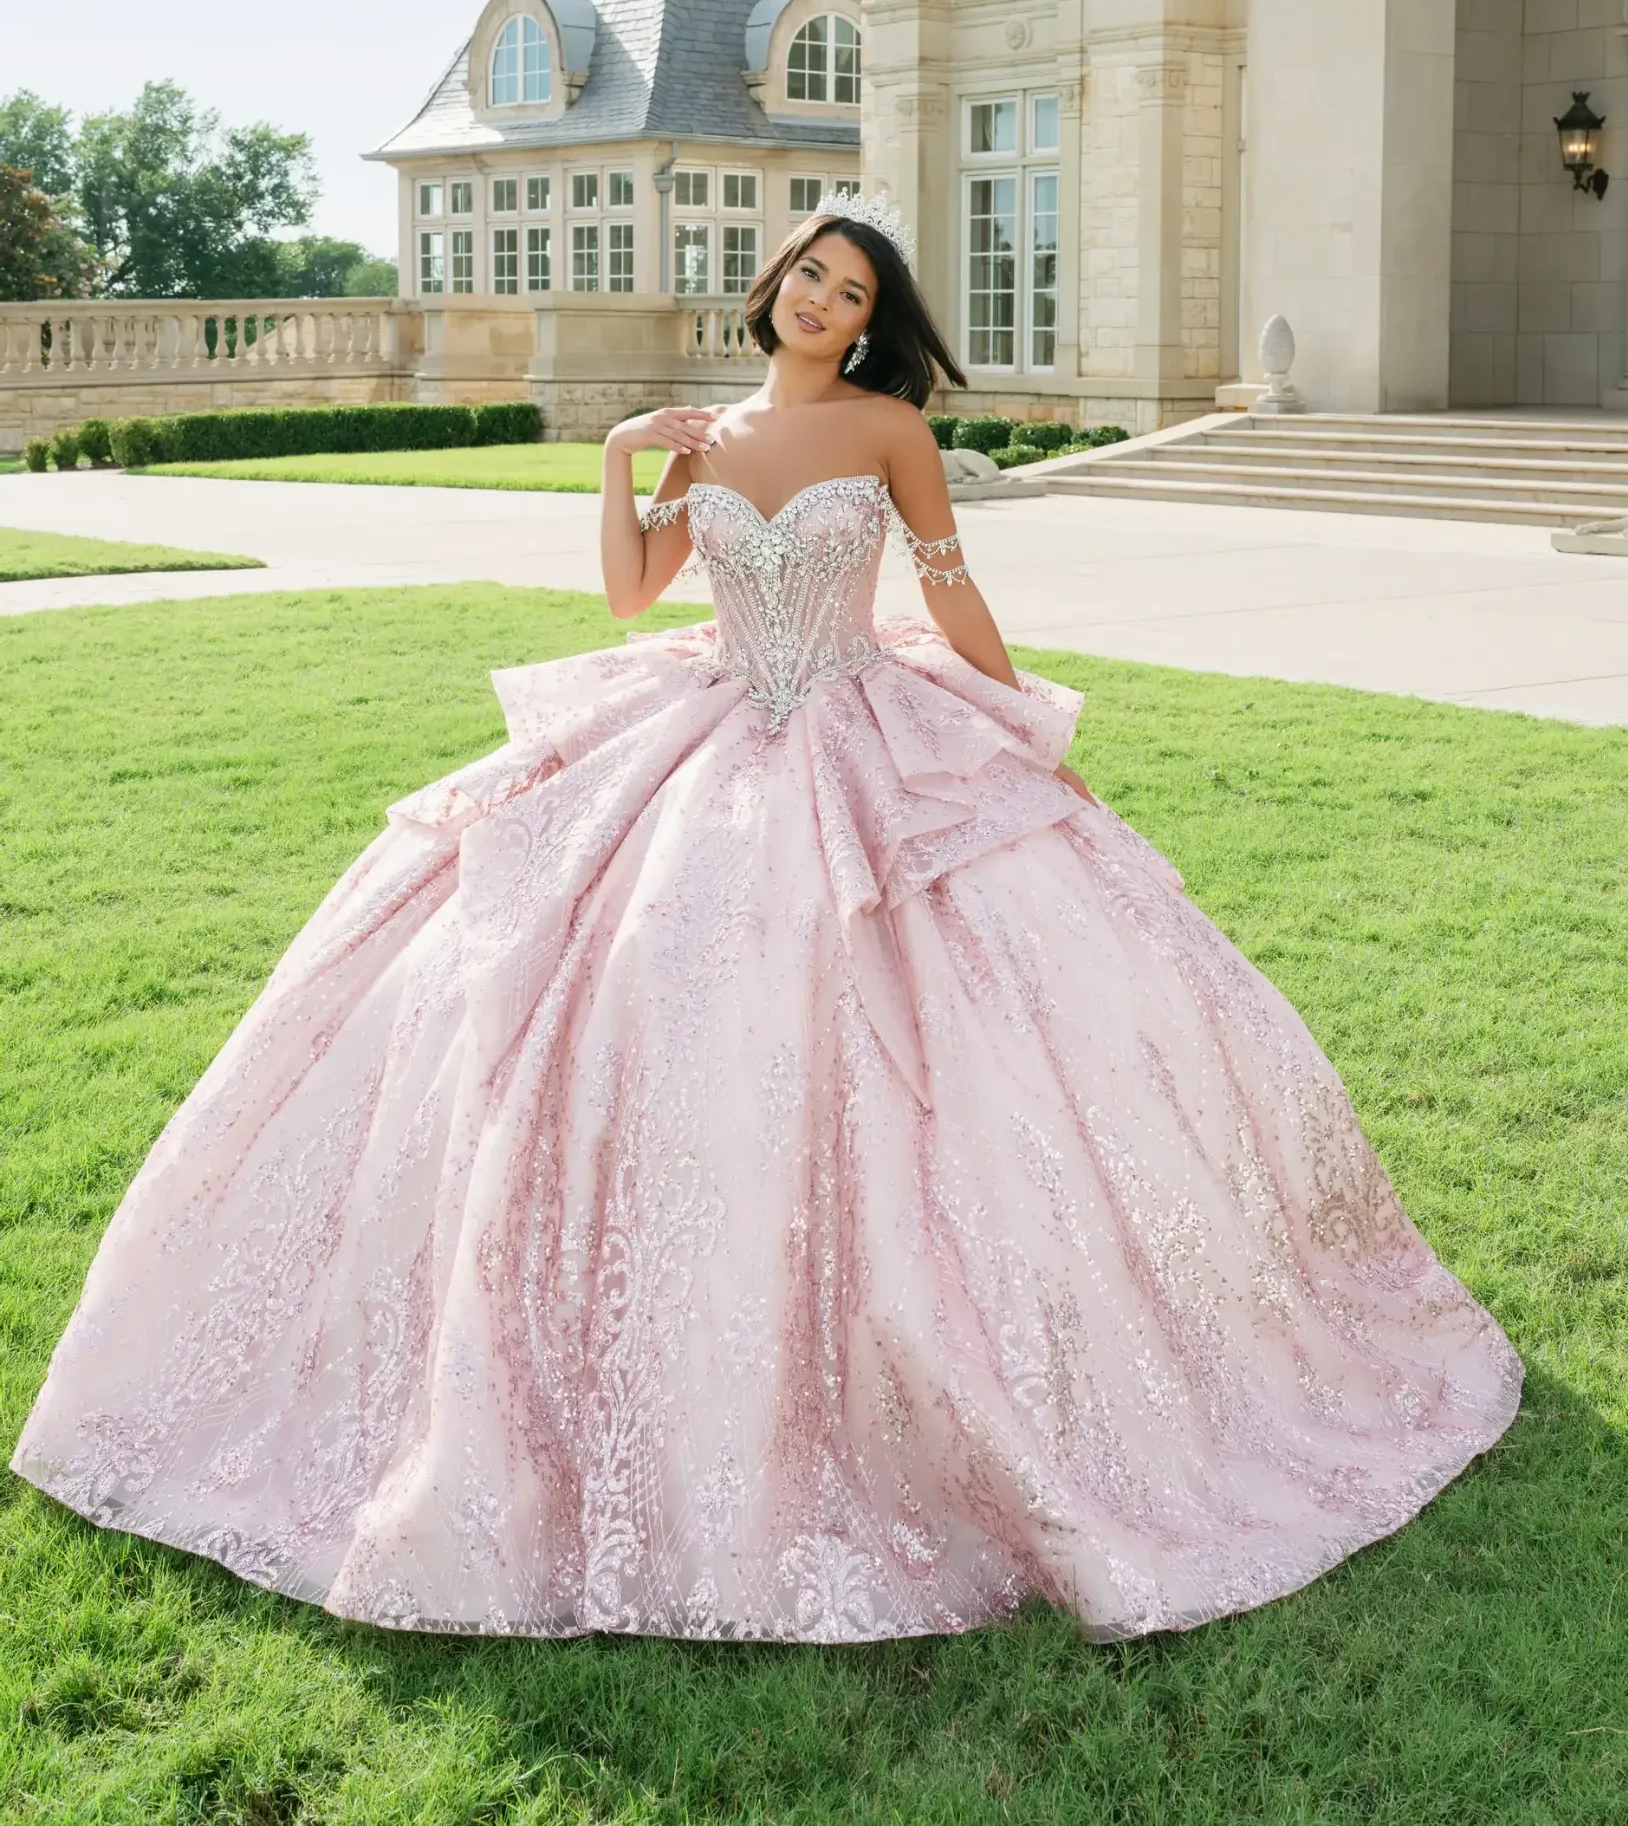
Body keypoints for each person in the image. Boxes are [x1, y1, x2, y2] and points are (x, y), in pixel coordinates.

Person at [13, 196, 1521, 1643]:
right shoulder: (706, 438)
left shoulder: (888, 430)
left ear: (871, 327)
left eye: (853, 294)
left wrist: (1015, 724)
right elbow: (633, 598)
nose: (824, 302)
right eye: (812, 275)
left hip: (863, 720)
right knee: (626, 965)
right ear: (776, 283)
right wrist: (623, 456)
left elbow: (948, 586)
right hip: (712, 721)